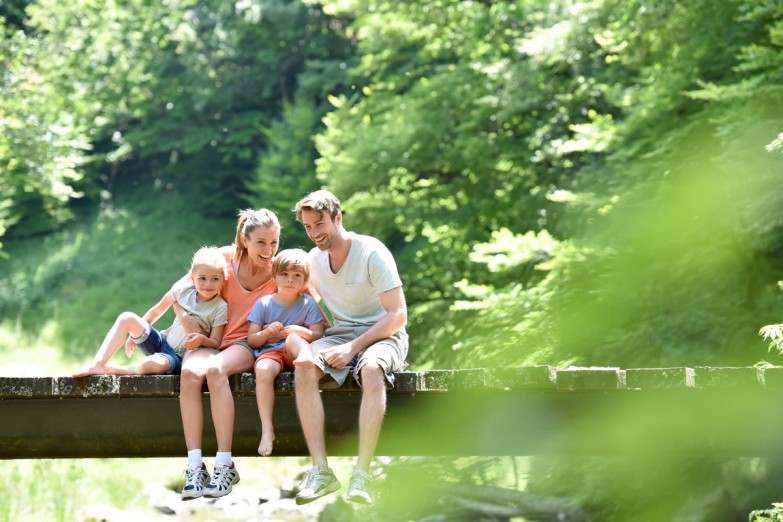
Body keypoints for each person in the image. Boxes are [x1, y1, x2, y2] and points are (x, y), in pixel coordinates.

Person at [288, 190, 408, 506]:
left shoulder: (372, 252)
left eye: (319, 224)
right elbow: (302, 297)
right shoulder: (313, 261)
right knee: (304, 367)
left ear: (337, 218)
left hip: (384, 335)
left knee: (371, 369)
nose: (314, 233)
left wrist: (353, 348)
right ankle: (321, 472)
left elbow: (398, 315)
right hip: (340, 334)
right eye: (308, 227)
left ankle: (362, 474)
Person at [176, 209, 280, 501]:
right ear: (245, 240)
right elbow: (177, 293)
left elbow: (311, 306)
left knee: (215, 370)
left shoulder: (279, 269)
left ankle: (224, 464)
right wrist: (184, 319)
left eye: (274, 242)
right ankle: (195, 467)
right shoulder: (222, 259)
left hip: (245, 344)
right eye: (261, 242)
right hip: (210, 340)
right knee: (189, 374)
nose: (269, 249)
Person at [72, 247, 228, 378]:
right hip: (162, 342)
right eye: (202, 278)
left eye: (215, 279)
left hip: (177, 358)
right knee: (126, 318)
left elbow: (216, 342)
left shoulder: (220, 307)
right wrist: (136, 334)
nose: (208, 284)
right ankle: (98, 364)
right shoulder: (183, 291)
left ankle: (126, 370)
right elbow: (157, 311)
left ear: (223, 279)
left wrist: (202, 340)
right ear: (193, 277)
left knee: (151, 365)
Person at [247, 248, 325, 457]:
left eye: (296, 275)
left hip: (296, 352)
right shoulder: (264, 304)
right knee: (263, 369)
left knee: (292, 338)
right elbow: (252, 340)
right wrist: (266, 332)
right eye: (284, 274)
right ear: (274, 276)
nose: (290, 280)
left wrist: (301, 331)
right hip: (271, 353)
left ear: (305, 281)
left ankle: (305, 356)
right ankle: (267, 429)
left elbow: (319, 334)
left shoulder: (307, 303)